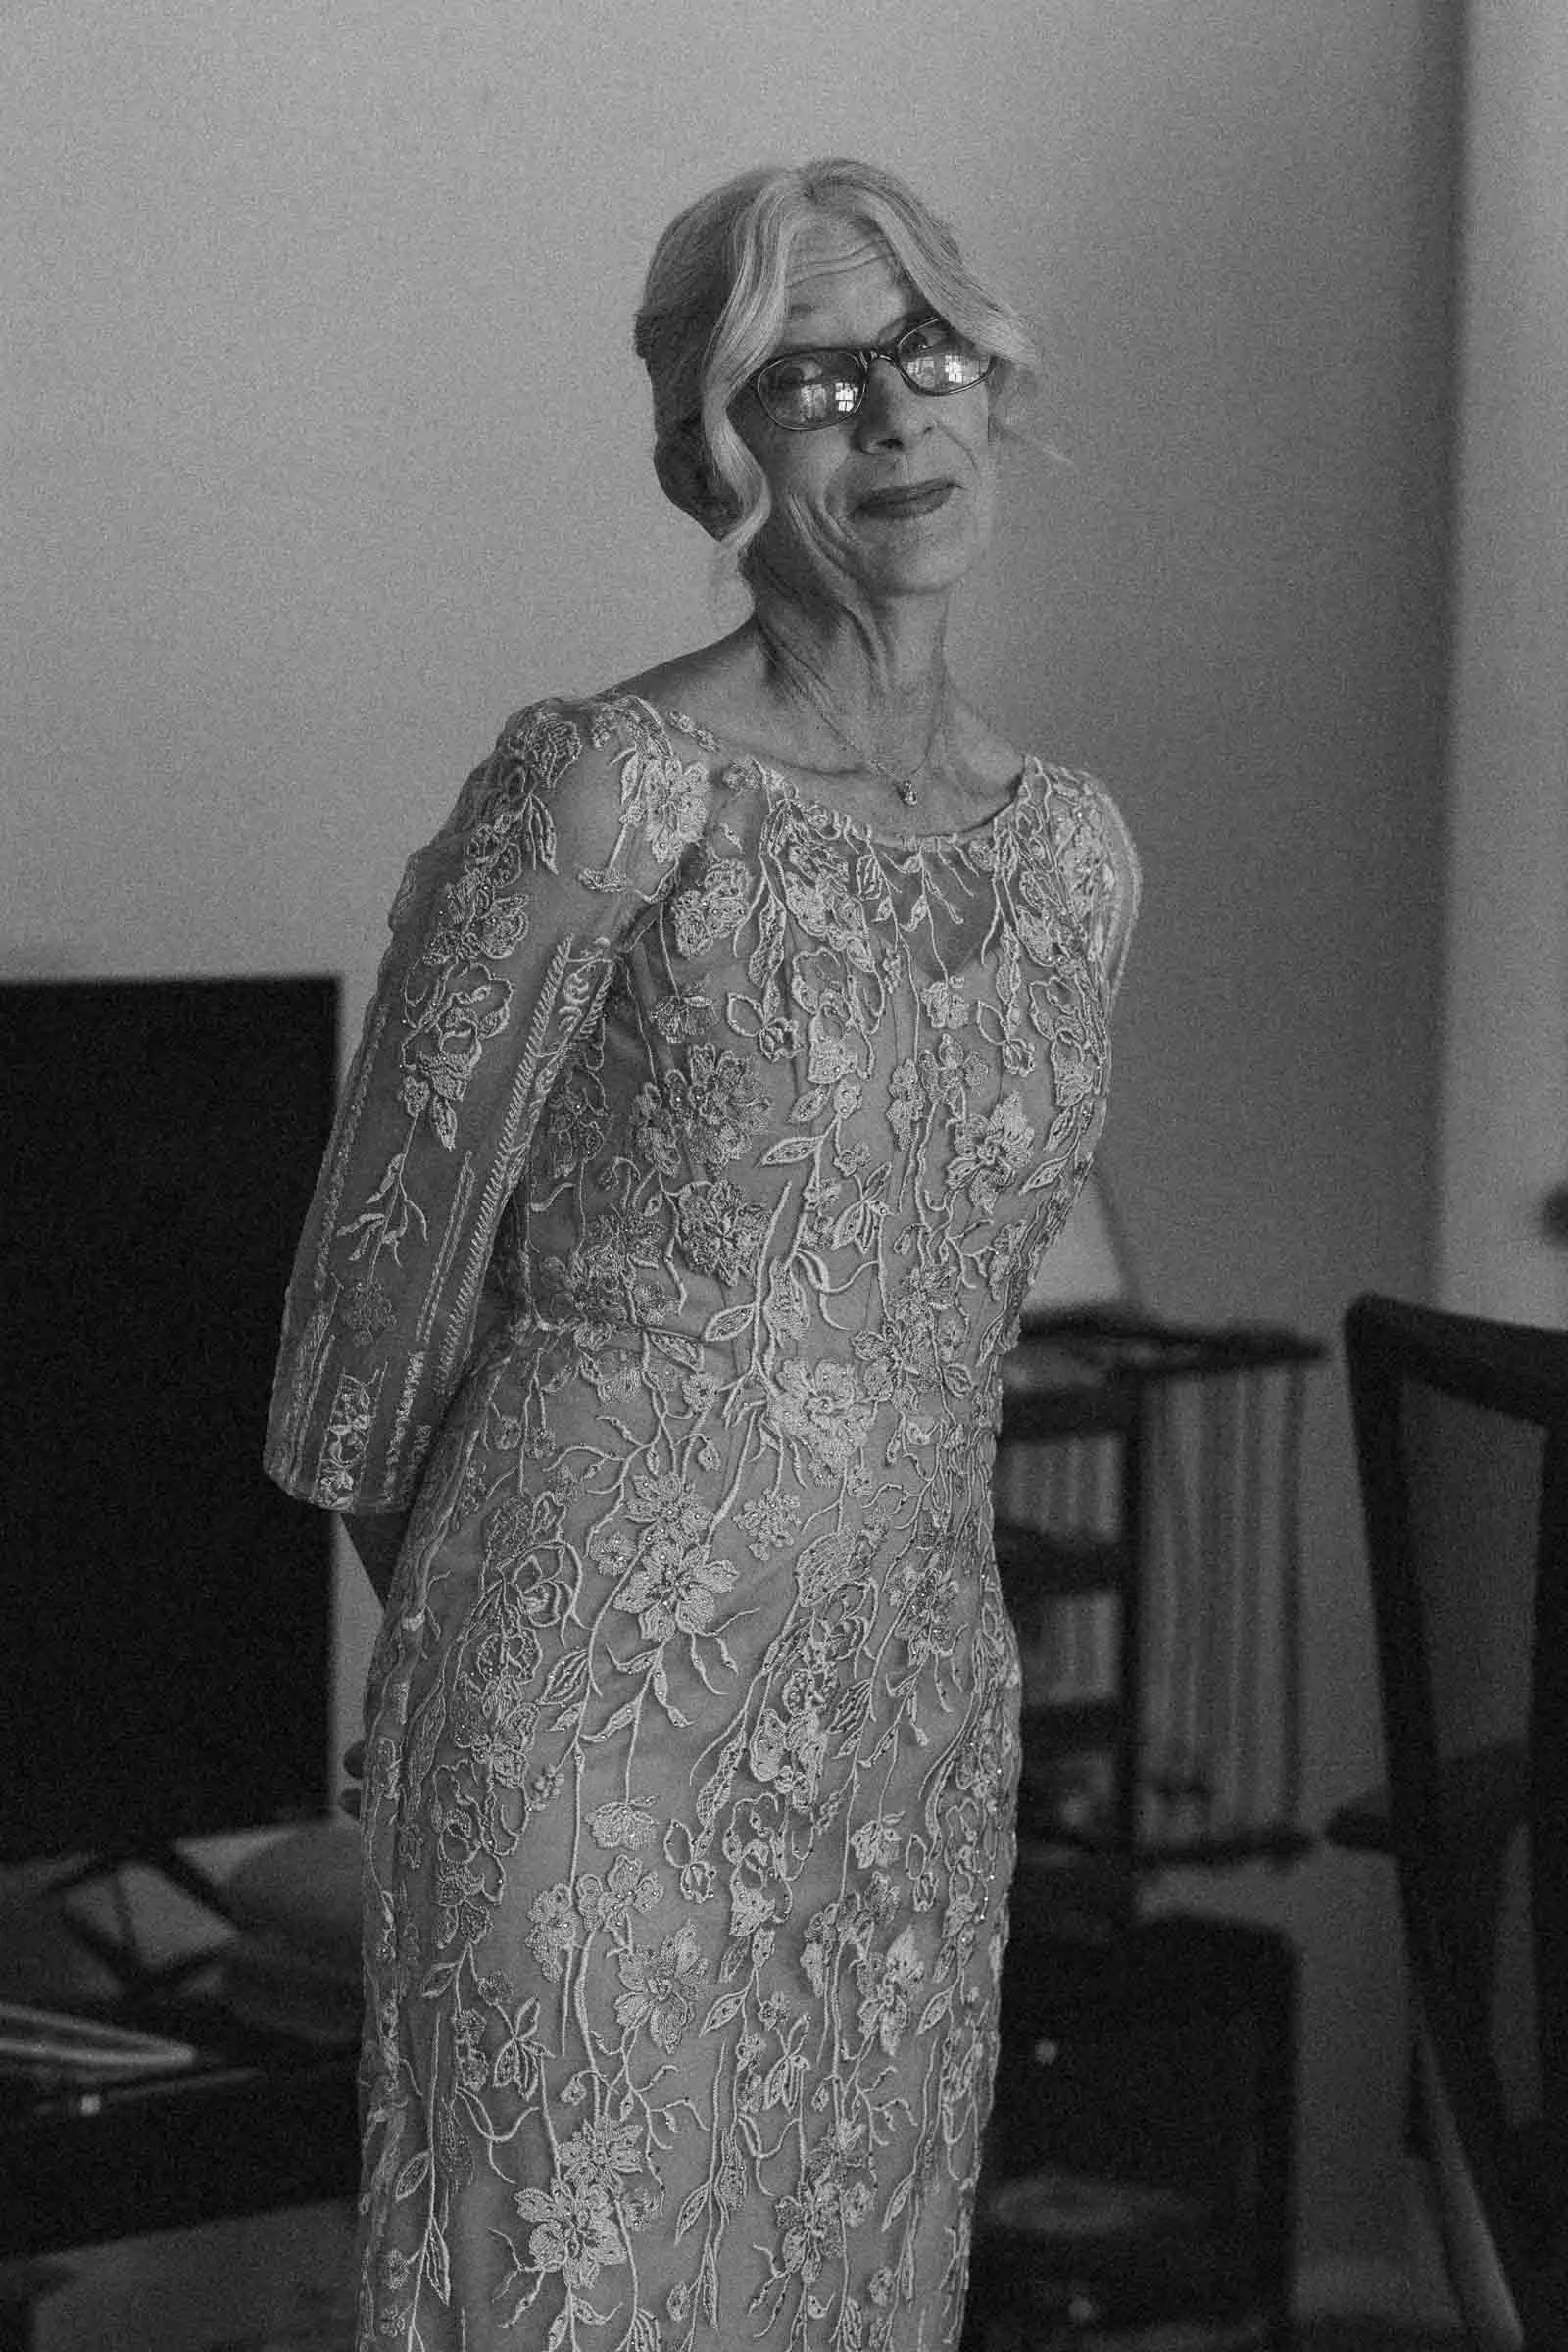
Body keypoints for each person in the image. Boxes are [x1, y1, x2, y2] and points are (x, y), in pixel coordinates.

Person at [266, 155, 1140, 2352]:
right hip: (590, 1689)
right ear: (714, 448)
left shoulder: (1074, 860)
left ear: (993, 390)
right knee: (571, 2290)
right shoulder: (608, 791)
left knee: (843, 2283)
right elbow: (374, 1289)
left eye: (926, 355)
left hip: (909, 1700)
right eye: (816, 380)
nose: (895, 422)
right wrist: (524, 1654)